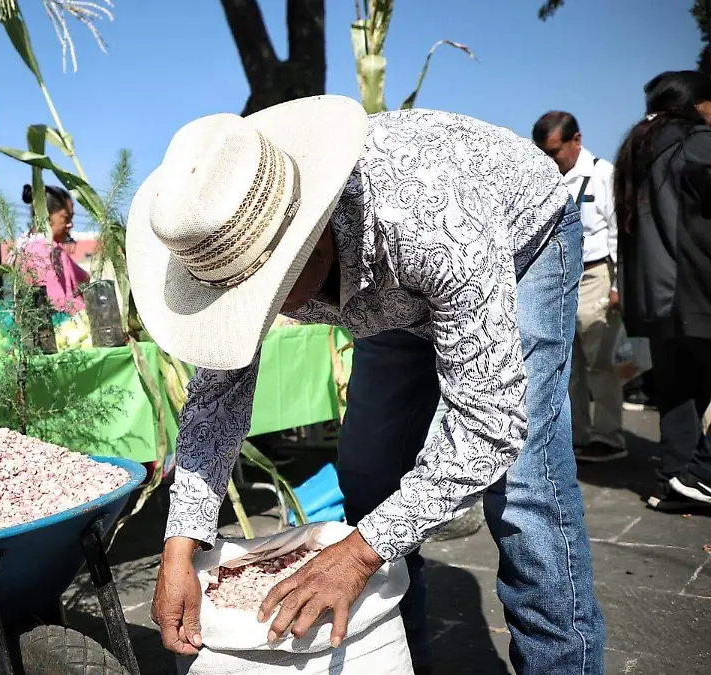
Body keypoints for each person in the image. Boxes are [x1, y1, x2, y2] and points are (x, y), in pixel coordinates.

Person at [129, 96, 604, 674]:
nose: (255, 313)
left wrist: (355, 557)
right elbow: (218, 396)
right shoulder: (236, 230)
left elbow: (488, 424)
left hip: (521, 239)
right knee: (372, 483)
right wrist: (181, 542)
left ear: (311, 238)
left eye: (263, 294)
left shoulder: (430, 223)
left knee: (526, 495)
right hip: (388, 295)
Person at [615, 70, 711, 509]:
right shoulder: (694, 144)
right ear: (696, 104)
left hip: (657, 297)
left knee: (679, 390)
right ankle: (699, 472)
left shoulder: (638, 148)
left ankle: (675, 479)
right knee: (685, 387)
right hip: (696, 288)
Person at [534, 111, 626, 463]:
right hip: (557, 279)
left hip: (595, 274)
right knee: (566, 364)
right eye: (544, 153)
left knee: (600, 361)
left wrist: (618, 284)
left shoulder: (603, 174)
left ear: (577, 140)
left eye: (555, 152)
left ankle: (608, 437)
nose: (551, 160)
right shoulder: (544, 177)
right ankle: (577, 436)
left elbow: (618, 230)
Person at [16, 184, 89, 313]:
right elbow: (57, 302)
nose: (71, 224)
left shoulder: (30, 246)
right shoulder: (43, 250)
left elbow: (85, 278)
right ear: (47, 216)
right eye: (66, 218)